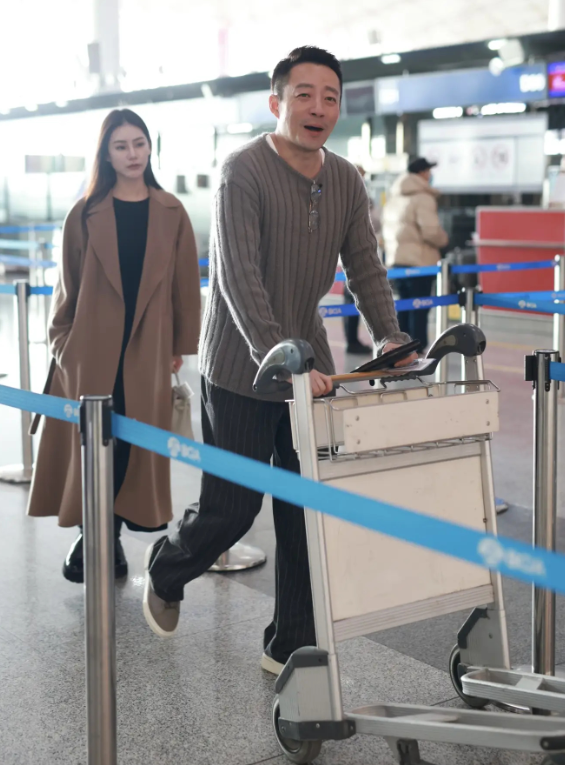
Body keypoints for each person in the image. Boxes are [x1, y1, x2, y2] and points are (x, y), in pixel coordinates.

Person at [143, 46, 414, 674]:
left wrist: (389, 337)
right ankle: (168, 567)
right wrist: (276, 353)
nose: (318, 108)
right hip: (240, 366)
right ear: (277, 102)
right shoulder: (242, 171)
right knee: (231, 509)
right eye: (304, 95)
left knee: (304, 512)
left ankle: (289, 642)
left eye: (330, 97)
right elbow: (239, 277)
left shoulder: (345, 179)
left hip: (311, 371)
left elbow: (364, 264)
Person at [27, 109, 201, 583]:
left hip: (148, 351)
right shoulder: (84, 213)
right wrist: (64, 346)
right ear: (106, 154)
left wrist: (179, 345)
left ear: (150, 148)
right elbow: (66, 289)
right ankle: (95, 534)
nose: (132, 154)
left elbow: (185, 286)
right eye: (121, 146)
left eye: (139, 143)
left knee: (130, 445)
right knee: (92, 444)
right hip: (90, 351)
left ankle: (111, 533)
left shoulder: (171, 211)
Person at [382, 157, 448, 353]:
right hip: (420, 262)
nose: (430, 175)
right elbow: (431, 231)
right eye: (428, 171)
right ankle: (417, 349)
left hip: (397, 262)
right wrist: (445, 240)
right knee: (420, 308)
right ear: (422, 173)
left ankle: (402, 347)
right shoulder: (423, 198)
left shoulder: (394, 197)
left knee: (403, 307)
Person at [342, 165, 372, 355]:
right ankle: (351, 340)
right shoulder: (344, 197)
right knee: (351, 299)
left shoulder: (363, 197)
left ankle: (353, 339)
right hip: (349, 257)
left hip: (362, 253)